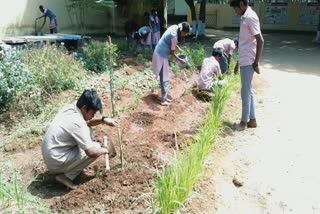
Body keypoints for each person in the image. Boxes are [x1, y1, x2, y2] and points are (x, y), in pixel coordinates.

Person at [41, 89, 118, 189]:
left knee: (88, 131)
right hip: (56, 160)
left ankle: (66, 169)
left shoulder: (70, 109)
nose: (93, 116)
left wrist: (103, 120)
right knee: (95, 147)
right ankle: (65, 176)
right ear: (85, 108)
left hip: (51, 153)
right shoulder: (78, 123)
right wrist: (105, 149)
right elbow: (91, 152)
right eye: (92, 113)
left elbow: (88, 123)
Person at [230, 0, 264, 130]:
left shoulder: (250, 17)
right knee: (248, 90)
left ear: (241, 4)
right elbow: (245, 42)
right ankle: (252, 120)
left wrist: (255, 62)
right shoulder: (245, 17)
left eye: (235, 8)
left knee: (245, 92)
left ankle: (243, 122)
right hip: (245, 59)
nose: (235, 11)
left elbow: (260, 40)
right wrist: (238, 61)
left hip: (249, 60)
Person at [152, 22, 191, 106]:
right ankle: (163, 100)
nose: (185, 35)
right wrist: (180, 60)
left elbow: (171, 40)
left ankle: (164, 97)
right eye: (185, 33)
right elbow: (172, 52)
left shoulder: (174, 27)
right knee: (165, 78)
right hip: (161, 55)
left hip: (159, 52)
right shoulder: (175, 37)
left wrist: (178, 47)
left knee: (164, 77)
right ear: (182, 31)